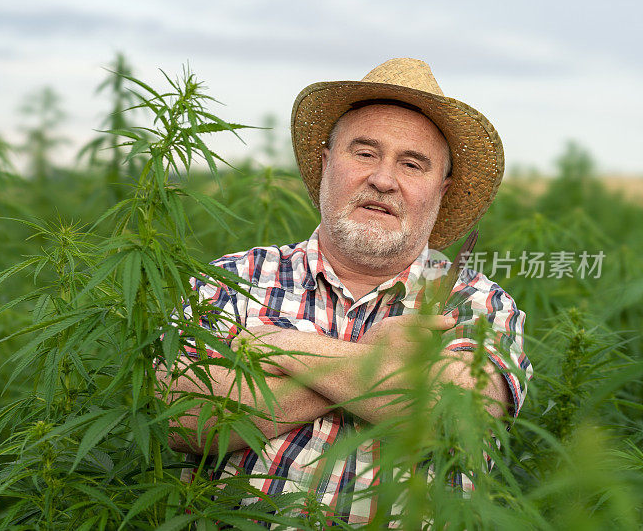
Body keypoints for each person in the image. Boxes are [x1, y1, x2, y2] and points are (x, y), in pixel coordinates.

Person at [159, 58, 533, 526]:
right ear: (326, 164)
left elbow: (455, 419)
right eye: (364, 153)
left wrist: (282, 347)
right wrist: (380, 368)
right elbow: (179, 418)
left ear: (442, 189)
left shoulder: (477, 304)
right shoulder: (232, 279)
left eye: (412, 164)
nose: (383, 179)